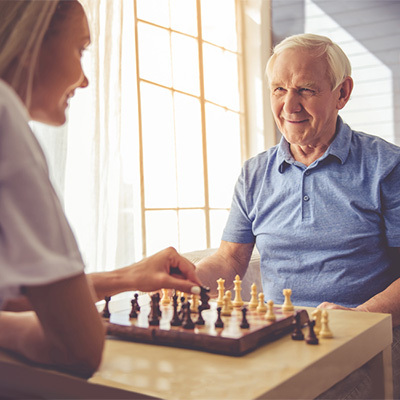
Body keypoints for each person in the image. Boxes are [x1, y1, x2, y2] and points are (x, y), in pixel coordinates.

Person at [0, 0, 200, 378]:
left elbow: (12, 300)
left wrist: (128, 278)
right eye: (80, 50)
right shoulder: (5, 115)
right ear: (32, 41)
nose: (84, 79)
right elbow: (78, 348)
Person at [196, 33, 400, 398]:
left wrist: (362, 317)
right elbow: (230, 259)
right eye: (278, 90)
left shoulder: (387, 167)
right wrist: (185, 279)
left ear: (342, 93)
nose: (289, 106)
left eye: (305, 89)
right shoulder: (253, 174)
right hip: (279, 336)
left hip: (367, 338)